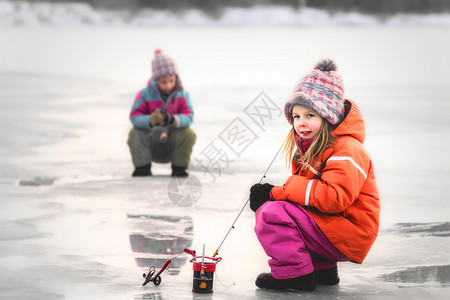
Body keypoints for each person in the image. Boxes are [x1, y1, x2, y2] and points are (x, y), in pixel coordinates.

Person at [249, 59, 380, 291]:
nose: (301, 123)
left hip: (351, 233)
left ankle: (294, 274)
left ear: (327, 116)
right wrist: (277, 193)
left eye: (310, 115)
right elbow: (309, 199)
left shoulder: (347, 149)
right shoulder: (313, 147)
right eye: (296, 116)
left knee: (271, 213)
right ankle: (322, 270)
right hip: (339, 230)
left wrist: (274, 195)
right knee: (295, 210)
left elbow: (333, 198)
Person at [127, 49, 196, 177]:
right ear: (156, 80)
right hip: (151, 144)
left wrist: (174, 120)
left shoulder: (182, 95)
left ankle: (179, 168)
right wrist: (149, 120)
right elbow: (135, 116)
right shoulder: (144, 94)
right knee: (135, 133)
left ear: (176, 78)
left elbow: (189, 115)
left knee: (188, 133)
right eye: (163, 82)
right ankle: (142, 168)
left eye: (171, 80)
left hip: (172, 144)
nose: (168, 85)